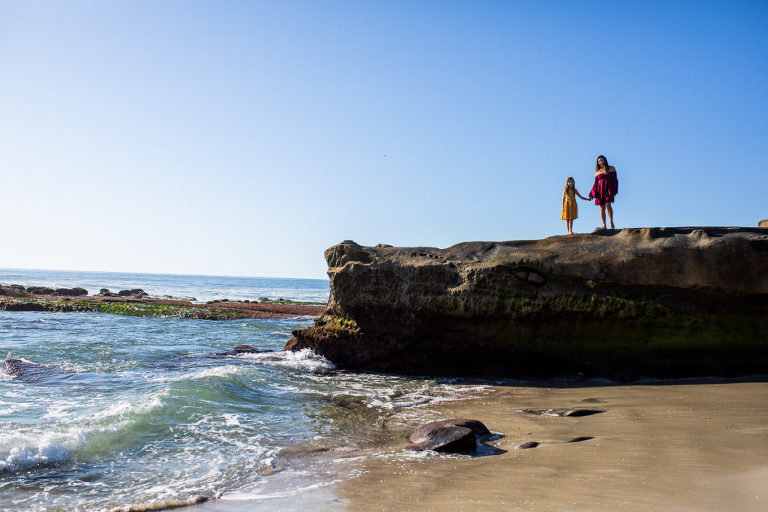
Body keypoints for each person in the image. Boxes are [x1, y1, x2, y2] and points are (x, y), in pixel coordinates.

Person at [588, 155, 619, 229]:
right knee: (602, 208)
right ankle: (604, 225)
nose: (601, 162)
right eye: (599, 161)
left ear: (605, 160)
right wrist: (591, 194)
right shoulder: (597, 172)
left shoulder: (611, 168)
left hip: (609, 189)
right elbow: (595, 184)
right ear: (597, 163)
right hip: (600, 190)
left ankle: (611, 222)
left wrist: (615, 191)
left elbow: (615, 180)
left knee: (608, 204)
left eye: (602, 160)